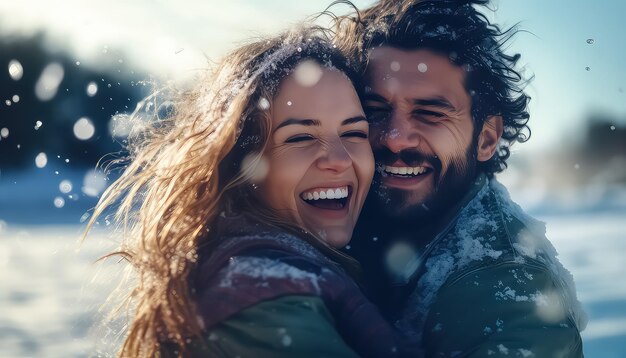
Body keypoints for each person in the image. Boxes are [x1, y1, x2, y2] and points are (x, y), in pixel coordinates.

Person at [86, 27, 407, 357]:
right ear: (239, 164)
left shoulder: (286, 271)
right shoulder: (262, 300)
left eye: (354, 132)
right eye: (300, 138)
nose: (340, 160)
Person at [332, 0, 588, 356]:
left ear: (485, 138)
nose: (394, 137)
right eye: (375, 110)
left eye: (430, 114)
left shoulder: (502, 284)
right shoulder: (348, 220)